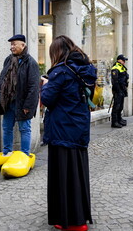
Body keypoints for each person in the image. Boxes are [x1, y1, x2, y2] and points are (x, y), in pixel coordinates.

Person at [41, 35, 96, 231]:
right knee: (78, 173)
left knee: (63, 175)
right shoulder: (86, 70)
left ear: (56, 52)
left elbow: (47, 99)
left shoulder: (61, 71)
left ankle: (68, 220)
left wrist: (45, 84)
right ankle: (79, 217)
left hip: (62, 129)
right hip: (79, 127)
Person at [0, 34, 40, 156]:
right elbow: (2, 78)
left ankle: (25, 155)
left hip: (22, 103)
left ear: (23, 45)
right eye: (11, 45)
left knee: (25, 129)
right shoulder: (8, 60)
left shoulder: (31, 63)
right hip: (7, 101)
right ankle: (7, 152)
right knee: (7, 128)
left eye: (14, 44)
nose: (12, 47)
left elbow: (34, 88)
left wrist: (28, 106)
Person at [110, 54, 129, 128]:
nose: (124, 62)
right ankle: (114, 122)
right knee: (116, 106)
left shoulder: (122, 68)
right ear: (119, 60)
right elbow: (115, 81)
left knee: (120, 106)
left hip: (122, 89)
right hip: (118, 90)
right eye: (123, 60)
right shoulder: (115, 68)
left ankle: (119, 119)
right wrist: (118, 91)